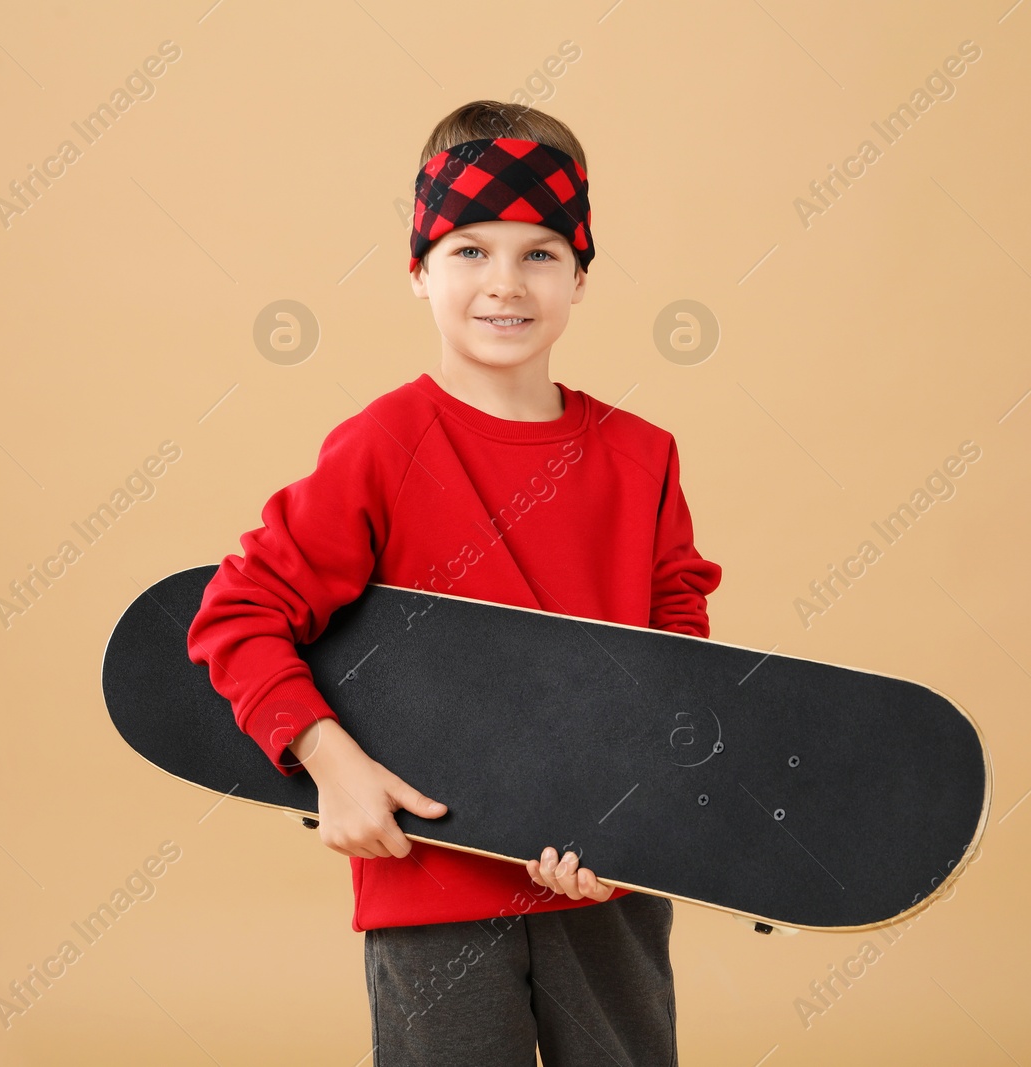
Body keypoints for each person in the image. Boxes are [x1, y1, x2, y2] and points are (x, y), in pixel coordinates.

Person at [187, 99, 722, 1066]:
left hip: (604, 880)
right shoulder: (382, 448)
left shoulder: (643, 458)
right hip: (428, 878)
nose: (504, 283)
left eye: (540, 253)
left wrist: (637, 819)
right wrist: (328, 761)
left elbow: (676, 656)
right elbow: (242, 610)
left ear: (581, 275)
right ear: (419, 270)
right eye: (470, 251)